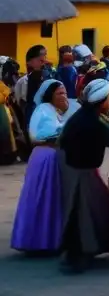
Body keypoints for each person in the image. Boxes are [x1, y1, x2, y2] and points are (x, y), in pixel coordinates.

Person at [10, 80, 78, 254]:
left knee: (53, 199)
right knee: (43, 198)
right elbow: (46, 134)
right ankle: (38, 241)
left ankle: (53, 239)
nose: (63, 96)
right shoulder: (43, 110)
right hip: (46, 157)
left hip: (53, 156)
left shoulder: (55, 111)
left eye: (64, 93)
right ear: (50, 96)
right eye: (59, 94)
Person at [58, 78, 109, 272]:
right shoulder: (93, 121)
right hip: (84, 172)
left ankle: (81, 252)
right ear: (103, 100)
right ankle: (78, 255)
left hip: (77, 170)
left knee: (91, 210)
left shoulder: (83, 115)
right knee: (83, 215)